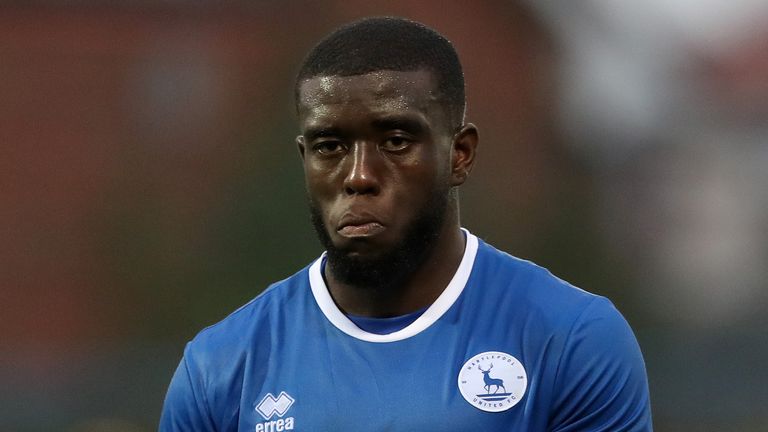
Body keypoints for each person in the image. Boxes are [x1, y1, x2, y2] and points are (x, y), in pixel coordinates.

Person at [160, 17, 652, 431]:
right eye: (330, 146)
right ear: (304, 158)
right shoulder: (220, 370)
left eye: (395, 141)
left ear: (460, 154)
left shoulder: (571, 341)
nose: (358, 176)